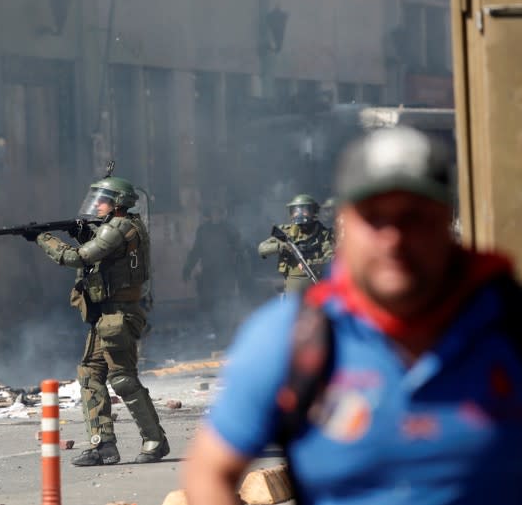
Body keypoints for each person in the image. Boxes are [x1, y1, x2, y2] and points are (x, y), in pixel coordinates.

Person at [182, 126, 522, 504]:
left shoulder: (507, 325)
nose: (393, 239)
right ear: (347, 221)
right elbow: (209, 471)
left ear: (446, 219)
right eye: (374, 218)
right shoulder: (291, 337)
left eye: (414, 217)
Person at [25, 175, 169, 466]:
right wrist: (80, 233)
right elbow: (102, 255)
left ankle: (154, 441)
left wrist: (42, 238)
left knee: (123, 379)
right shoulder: (117, 227)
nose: (97, 205)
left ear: (118, 204)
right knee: (90, 374)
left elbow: (79, 258)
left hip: (118, 316)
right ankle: (102, 444)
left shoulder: (119, 226)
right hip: (107, 316)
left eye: (103, 200)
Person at [182, 203, 248, 347]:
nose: (216, 215)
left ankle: (228, 336)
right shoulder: (203, 230)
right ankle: (218, 334)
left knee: (226, 304)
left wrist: (243, 273)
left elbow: (241, 251)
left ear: (222, 213)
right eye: (213, 212)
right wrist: (188, 268)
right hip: (209, 274)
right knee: (211, 305)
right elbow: (196, 251)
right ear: (209, 214)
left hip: (227, 273)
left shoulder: (230, 229)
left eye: (219, 212)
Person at [257, 194, 334, 294]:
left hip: (315, 282)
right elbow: (262, 248)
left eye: (304, 210)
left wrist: (315, 264)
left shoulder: (322, 234)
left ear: (313, 212)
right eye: (296, 211)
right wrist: (282, 246)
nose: (299, 214)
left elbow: (331, 258)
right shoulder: (286, 232)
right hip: (292, 284)